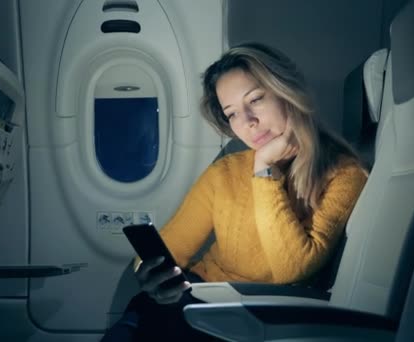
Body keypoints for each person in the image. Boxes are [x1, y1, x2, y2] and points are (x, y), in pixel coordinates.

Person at [102, 42, 368, 341]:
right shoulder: (224, 172)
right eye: (232, 114)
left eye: (255, 99)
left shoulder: (345, 175)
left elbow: (292, 269)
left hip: (249, 315)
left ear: (287, 91)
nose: (248, 123)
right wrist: (151, 276)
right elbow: (172, 246)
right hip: (193, 296)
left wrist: (264, 169)